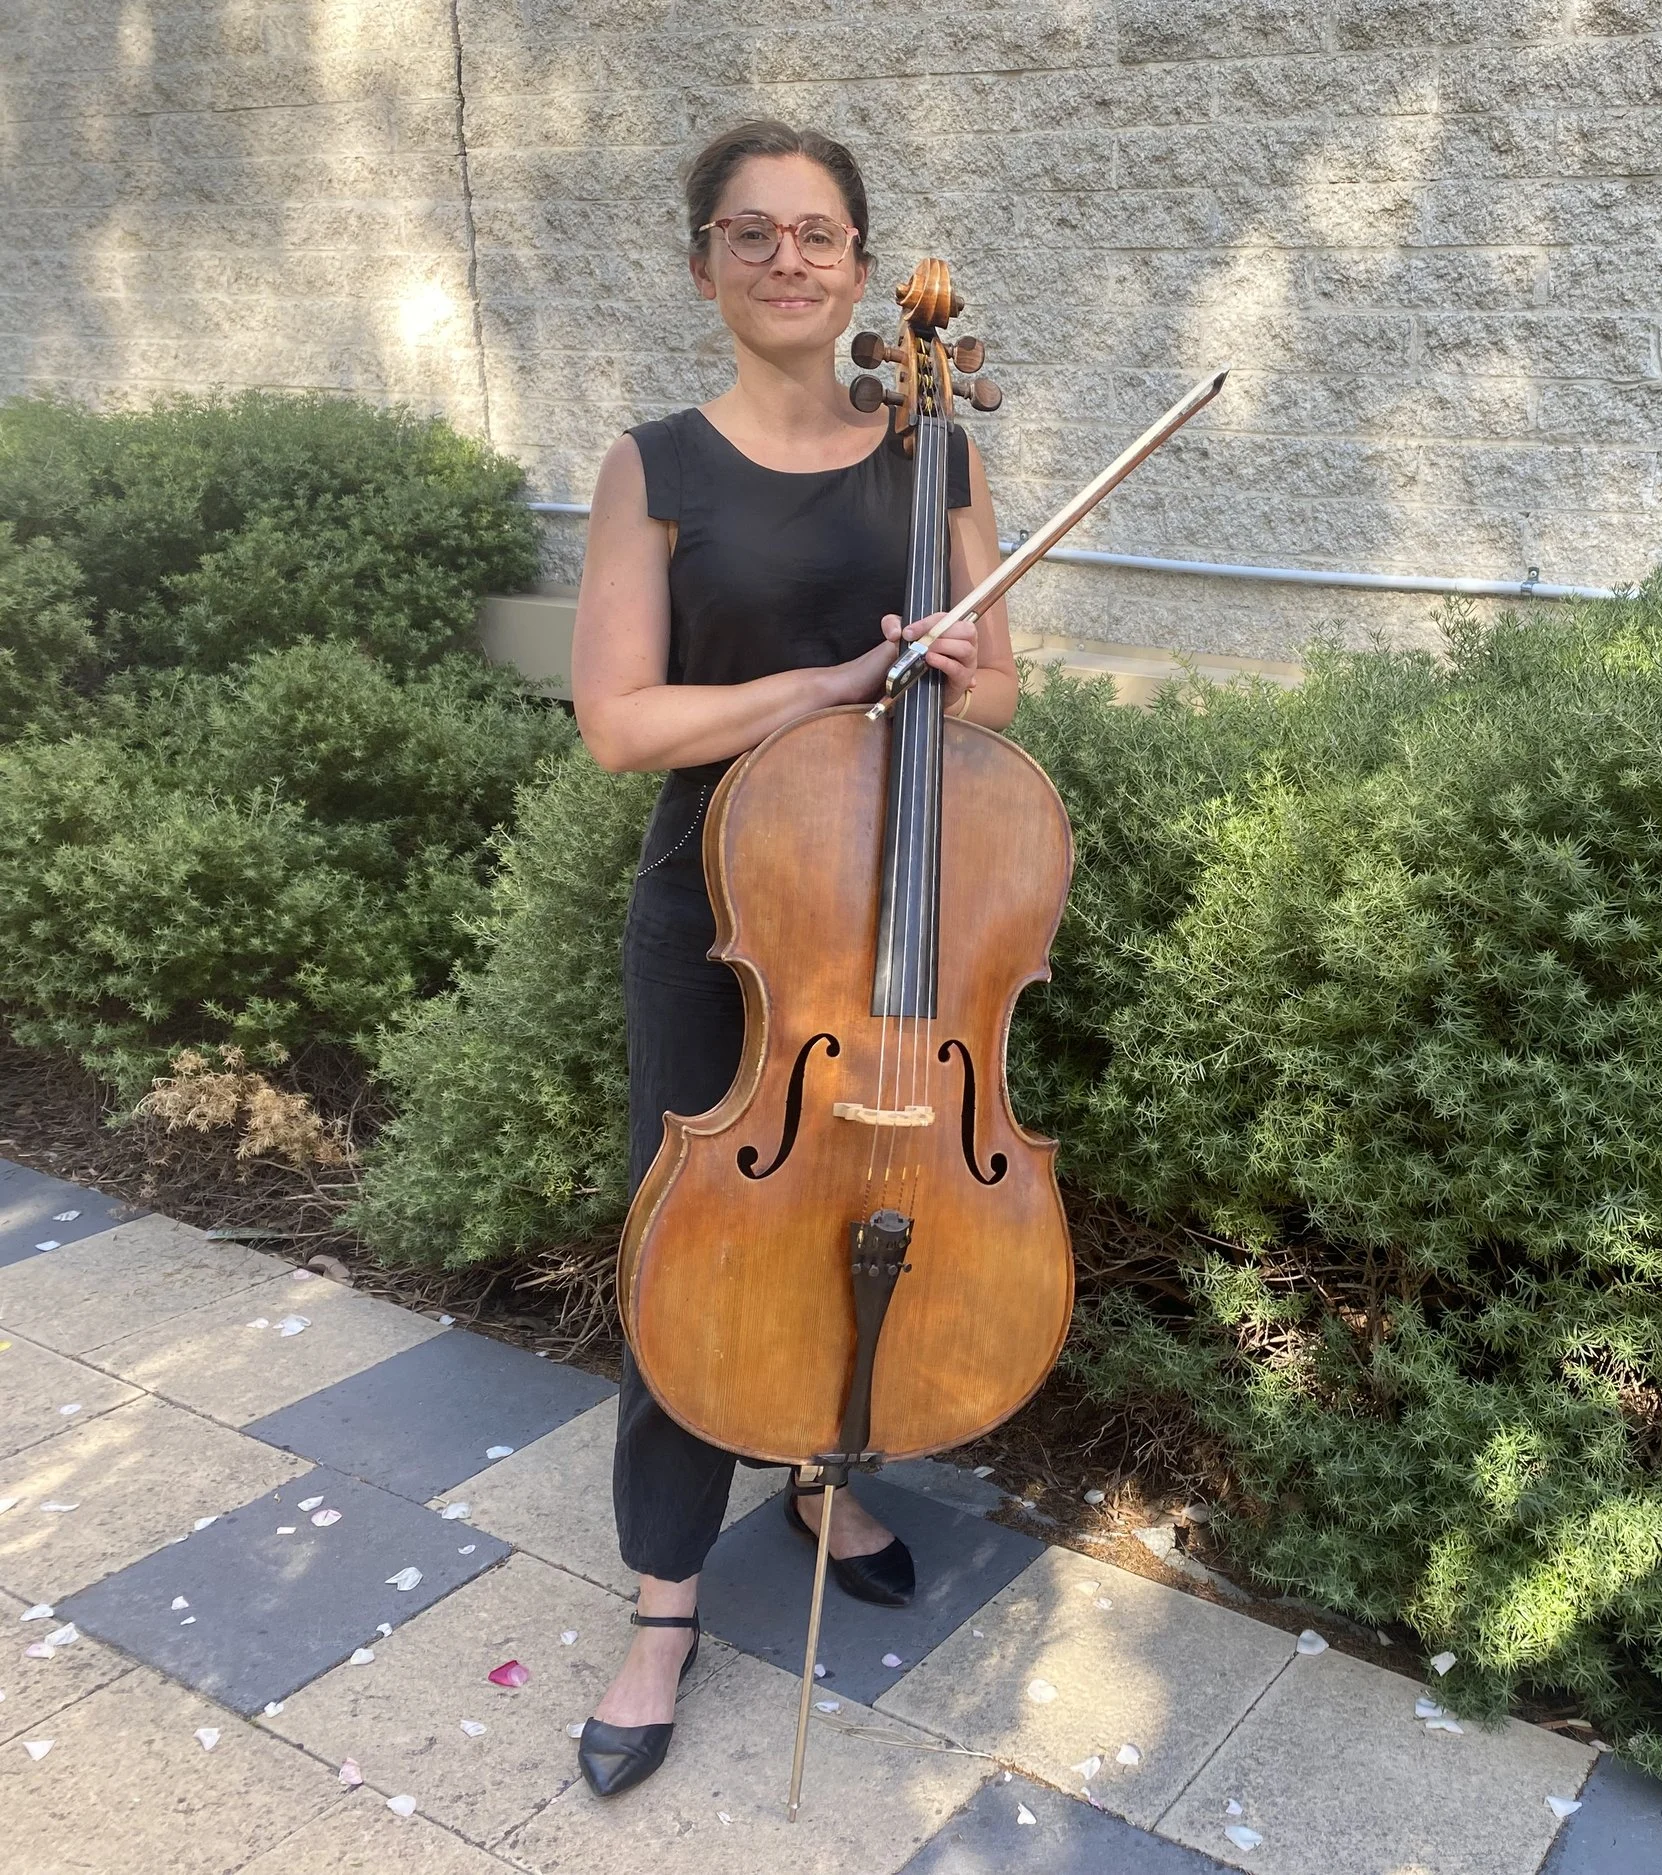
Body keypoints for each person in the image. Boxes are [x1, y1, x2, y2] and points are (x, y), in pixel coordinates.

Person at [564, 119, 1018, 1797]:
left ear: (858, 264)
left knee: (863, 1218)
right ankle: (664, 1600)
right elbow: (621, 721)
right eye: (750, 235)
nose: (787, 260)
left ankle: (826, 1473)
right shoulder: (655, 467)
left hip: (905, 923)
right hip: (728, 918)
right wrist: (823, 690)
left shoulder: (936, 454)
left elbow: (1000, 694)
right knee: (695, 1244)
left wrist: (956, 667)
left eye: (816, 234)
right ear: (703, 265)